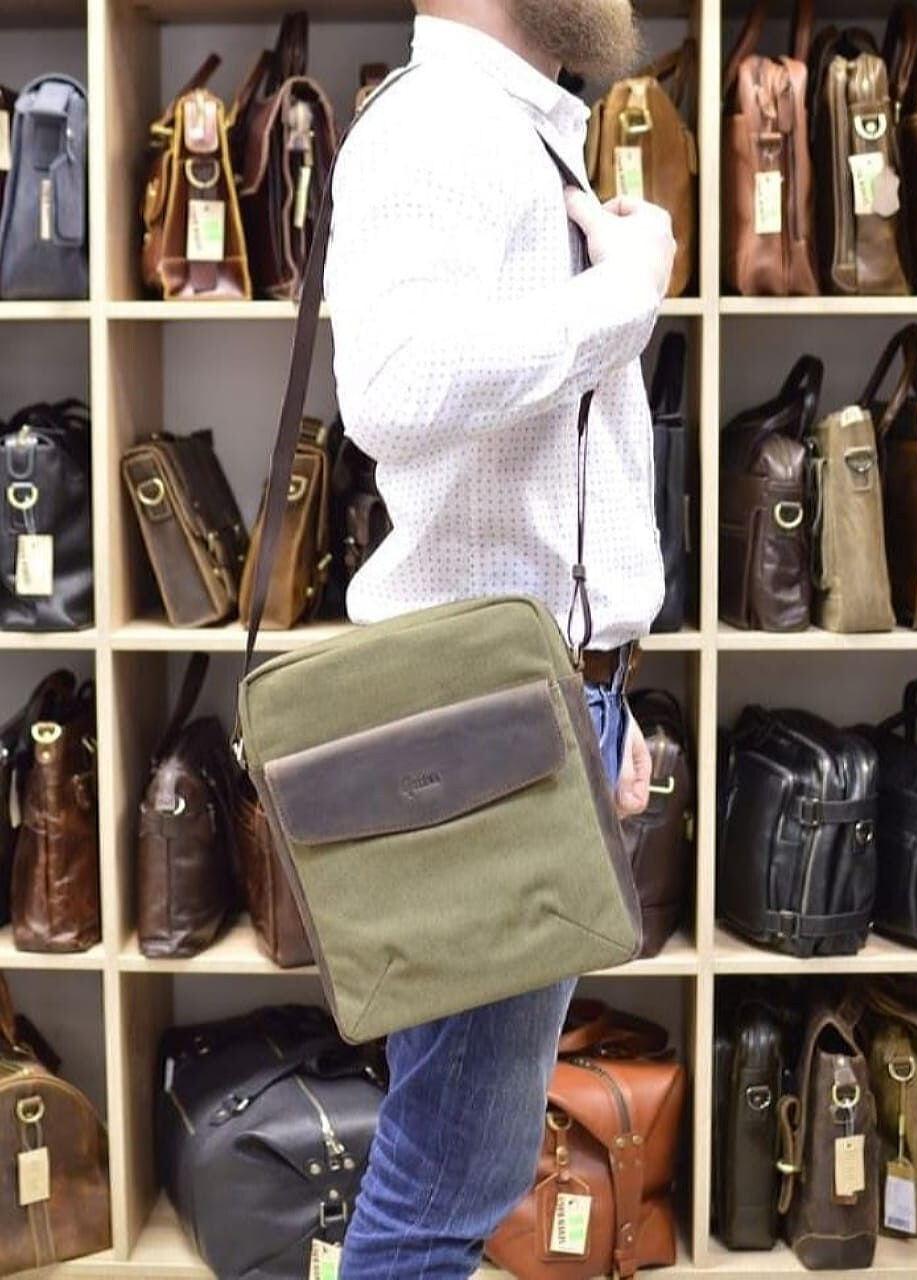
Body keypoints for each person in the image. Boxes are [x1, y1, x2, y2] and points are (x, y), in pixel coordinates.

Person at [324, 1, 674, 1274]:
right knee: (445, 1183)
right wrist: (621, 296)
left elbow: (536, 481)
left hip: (528, 709)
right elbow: (392, 388)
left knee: (459, 1162)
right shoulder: (439, 128)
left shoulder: (510, 128)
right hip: (491, 728)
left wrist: (597, 704)